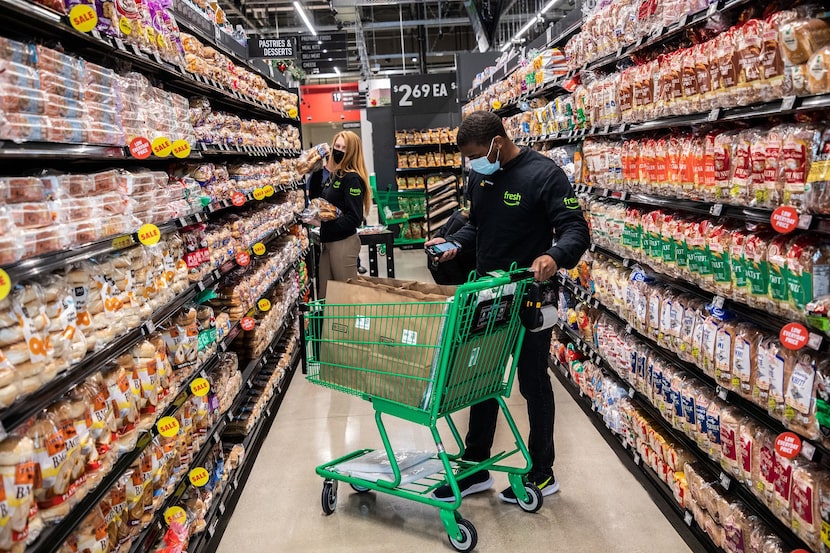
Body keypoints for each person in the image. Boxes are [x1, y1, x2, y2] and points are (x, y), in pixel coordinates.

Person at [425, 111, 589, 503]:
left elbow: (575, 229)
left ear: (498, 142)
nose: (472, 164)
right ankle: (475, 465)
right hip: (487, 294)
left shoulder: (544, 175)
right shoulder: (480, 176)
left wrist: (554, 256)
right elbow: (477, 226)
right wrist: (455, 247)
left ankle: (542, 472)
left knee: (532, 383)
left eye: (477, 154)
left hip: (530, 293)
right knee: (476, 379)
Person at [315, 131, 372, 297]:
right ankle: (332, 324)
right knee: (326, 296)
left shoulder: (352, 178)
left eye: (344, 148)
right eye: (337, 146)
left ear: (352, 152)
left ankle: (349, 324)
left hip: (343, 244)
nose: (339, 151)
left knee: (345, 298)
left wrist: (325, 225)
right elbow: (317, 198)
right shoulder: (336, 175)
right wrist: (318, 169)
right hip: (328, 243)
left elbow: (355, 218)